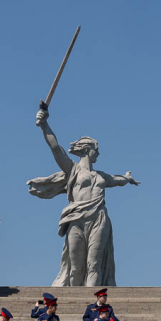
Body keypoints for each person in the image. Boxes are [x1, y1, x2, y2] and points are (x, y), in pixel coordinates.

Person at [30, 109, 139, 286]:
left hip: (99, 218)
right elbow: (55, 148)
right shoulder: (72, 169)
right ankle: (75, 305)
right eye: (97, 150)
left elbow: (117, 180)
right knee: (75, 268)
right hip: (76, 218)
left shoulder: (101, 176)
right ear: (88, 150)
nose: (99, 154)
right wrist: (44, 125)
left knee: (94, 264)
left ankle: (93, 305)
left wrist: (127, 178)